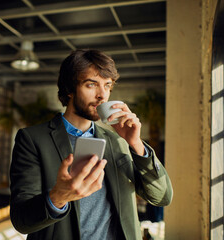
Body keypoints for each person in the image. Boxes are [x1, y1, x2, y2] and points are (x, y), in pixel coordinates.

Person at [9, 49, 173, 240]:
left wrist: (136, 143)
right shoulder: (32, 139)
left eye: (108, 86)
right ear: (70, 89)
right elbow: (21, 221)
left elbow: (162, 197)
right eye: (91, 84)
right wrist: (58, 197)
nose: (102, 95)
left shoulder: (117, 142)